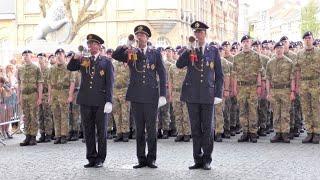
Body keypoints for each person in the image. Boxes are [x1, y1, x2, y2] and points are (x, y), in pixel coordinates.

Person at [112, 25, 167, 169]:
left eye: (142, 35)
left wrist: (163, 95)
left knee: (151, 129)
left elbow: (162, 73)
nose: (139, 37)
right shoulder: (131, 52)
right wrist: (127, 45)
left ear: (147, 38)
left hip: (151, 96)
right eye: (137, 35)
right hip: (136, 95)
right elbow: (115, 55)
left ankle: (152, 158)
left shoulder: (154, 53)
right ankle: (141, 159)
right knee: (139, 128)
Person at [176, 21, 223, 170]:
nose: (198, 35)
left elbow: (219, 75)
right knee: (195, 128)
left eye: (200, 32)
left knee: (208, 129)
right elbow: (179, 64)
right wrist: (188, 50)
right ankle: (197, 159)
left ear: (205, 34)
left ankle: (207, 159)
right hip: (192, 95)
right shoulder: (191, 50)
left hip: (208, 95)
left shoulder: (213, 50)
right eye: (196, 33)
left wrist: (218, 94)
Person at [67, 34, 114, 168]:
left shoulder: (106, 61)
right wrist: (75, 57)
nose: (91, 46)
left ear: (99, 46)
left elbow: (110, 83)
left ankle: (100, 158)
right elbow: (70, 68)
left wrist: (109, 101)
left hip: (100, 101)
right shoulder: (84, 60)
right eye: (89, 44)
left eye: (94, 44)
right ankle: (91, 157)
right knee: (88, 130)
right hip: (86, 100)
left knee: (101, 131)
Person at [232, 35, 264, 143]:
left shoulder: (256, 56)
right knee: (242, 110)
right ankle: (245, 132)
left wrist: (259, 86)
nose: (246, 43)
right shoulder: (236, 57)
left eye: (247, 41)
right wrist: (235, 88)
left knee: (253, 110)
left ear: (250, 43)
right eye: (244, 41)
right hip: (241, 87)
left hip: (253, 86)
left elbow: (259, 72)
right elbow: (234, 74)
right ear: (241, 44)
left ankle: (253, 132)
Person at [266, 42, 295, 143]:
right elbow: (268, 79)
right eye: (277, 48)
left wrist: (292, 92)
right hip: (274, 91)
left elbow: (292, 78)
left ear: (284, 49)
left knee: (285, 112)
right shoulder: (270, 63)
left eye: (281, 48)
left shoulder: (289, 62)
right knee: (276, 113)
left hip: (285, 90)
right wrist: (268, 92)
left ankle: (285, 133)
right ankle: (278, 133)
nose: (279, 50)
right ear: (274, 50)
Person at [296, 31, 320, 144]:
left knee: (316, 108)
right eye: (305, 38)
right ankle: (309, 132)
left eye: (309, 38)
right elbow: (297, 71)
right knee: (306, 109)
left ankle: (317, 133)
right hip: (304, 84)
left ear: (313, 39)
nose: (307, 40)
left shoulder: (319, 52)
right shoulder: (300, 54)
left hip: (316, 83)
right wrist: (297, 86)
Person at [48, 49, 75, 144]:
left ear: (64, 55)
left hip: (64, 92)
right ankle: (58, 135)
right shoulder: (52, 68)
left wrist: (70, 95)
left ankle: (64, 135)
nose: (59, 56)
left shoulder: (69, 67)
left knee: (64, 115)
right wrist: (50, 97)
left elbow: (72, 82)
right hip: (55, 93)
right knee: (56, 115)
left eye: (60, 54)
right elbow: (50, 84)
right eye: (57, 54)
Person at [17, 50, 43, 146]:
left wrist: (40, 97)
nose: (25, 57)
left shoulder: (36, 68)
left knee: (33, 116)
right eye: (24, 55)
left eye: (27, 55)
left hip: (33, 94)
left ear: (31, 56)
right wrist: (19, 96)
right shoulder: (20, 69)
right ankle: (27, 136)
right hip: (24, 95)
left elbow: (40, 83)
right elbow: (19, 84)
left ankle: (33, 136)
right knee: (26, 116)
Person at [37, 53, 53, 143]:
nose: (40, 60)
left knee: (47, 115)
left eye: (41, 58)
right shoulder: (37, 71)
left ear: (45, 60)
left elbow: (51, 84)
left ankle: (48, 134)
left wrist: (50, 96)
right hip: (39, 95)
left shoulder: (49, 70)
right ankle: (42, 134)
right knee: (40, 115)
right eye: (39, 58)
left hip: (46, 94)